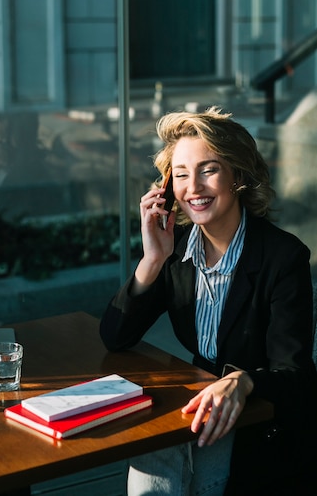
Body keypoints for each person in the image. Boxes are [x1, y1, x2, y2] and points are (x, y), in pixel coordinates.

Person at [100, 107, 317, 496]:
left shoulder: (284, 259)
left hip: (261, 423)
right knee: (152, 461)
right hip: (199, 408)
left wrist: (245, 380)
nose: (193, 187)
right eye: (181, 174)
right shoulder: (177, 252)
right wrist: (152, 260)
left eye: (209, 169)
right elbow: (115, 335)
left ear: (238, 176)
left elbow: (297, 377)